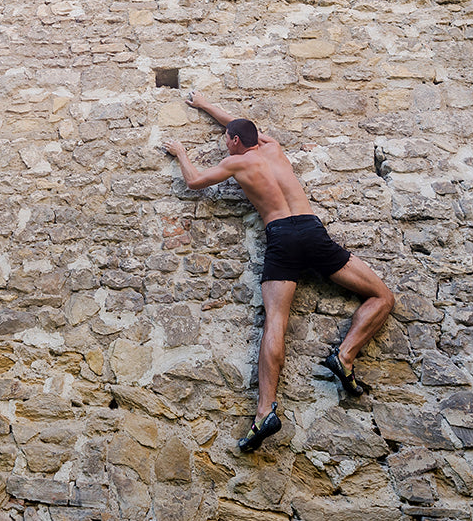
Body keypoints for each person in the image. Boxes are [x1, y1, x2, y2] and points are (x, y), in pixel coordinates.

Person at [161, 91, 394, 453]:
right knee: (383, 296)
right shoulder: (273, 147)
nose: (225, 142)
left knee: (275, 322)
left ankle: (265, 411)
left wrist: (181, 153)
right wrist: (206, 104)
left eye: (227, 140)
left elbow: (194, 182)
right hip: (312, 231)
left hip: (282, 237)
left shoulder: (236, 164)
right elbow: (240, 126)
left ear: (234, 143)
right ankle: (345, 355)